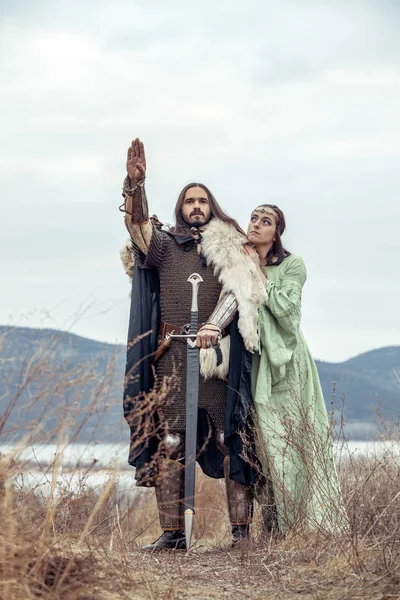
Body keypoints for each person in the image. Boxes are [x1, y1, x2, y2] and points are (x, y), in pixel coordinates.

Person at [119, 139, 266, 550]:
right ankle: (171, 535)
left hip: (216, 364)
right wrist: (136, 185)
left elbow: (240, 291)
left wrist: (215, 327)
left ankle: (241, 535)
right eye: (189, 201)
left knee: (230, 439)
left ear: (211, 206)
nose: (196, 206)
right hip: (172, 361)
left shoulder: (232, 247)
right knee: (169, 443)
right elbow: (137, 228)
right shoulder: (165, 247)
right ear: (181, 209)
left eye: (202, 201)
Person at [243, 204, 348, 535]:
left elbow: (287, 310)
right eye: (254, 218)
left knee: (294, 442)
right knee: (263, 447)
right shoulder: (238, 262)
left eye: (266, 221)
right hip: (254, 362)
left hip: (287, 363)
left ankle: (310, 526)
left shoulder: (291, 264)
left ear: (277, 232)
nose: (256, 224)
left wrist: (256, 272)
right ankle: (273, 527)